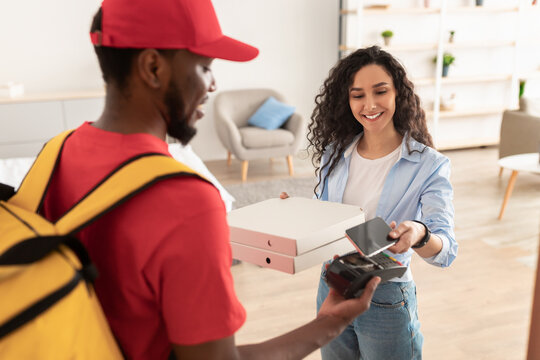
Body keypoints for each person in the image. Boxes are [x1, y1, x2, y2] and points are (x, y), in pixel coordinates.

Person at [40, 0, 380, 359]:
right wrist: (329, 322)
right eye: (204, 66)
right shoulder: (185, 201)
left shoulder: (56, 154)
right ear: (153, 66)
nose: (213, 84)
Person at [308, 46, 458, 360]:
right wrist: (294, 214)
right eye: (357, 95)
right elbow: (321, 219)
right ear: (346, 100)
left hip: (386, 296)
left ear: (398, 94)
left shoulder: (429, 165)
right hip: (332, 282)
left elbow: (446, 251)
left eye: (380, 91)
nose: (370, 104)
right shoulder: (335, 153)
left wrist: (419, 233)